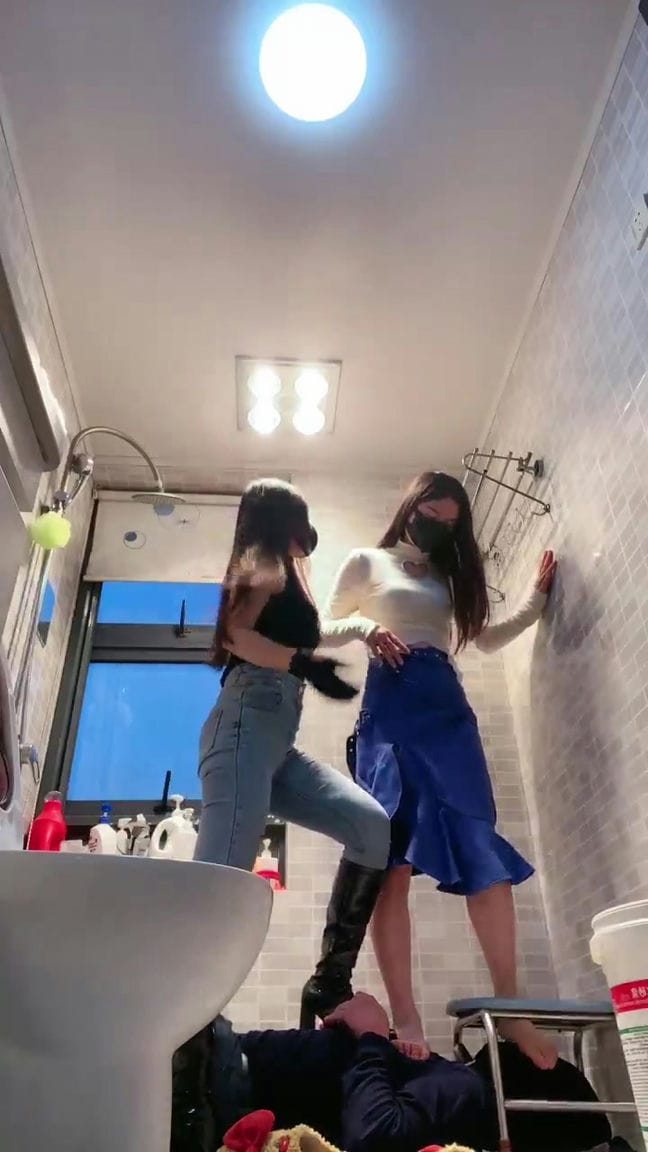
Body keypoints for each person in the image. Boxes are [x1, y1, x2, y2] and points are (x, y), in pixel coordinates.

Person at [301, 471, 558, 1069]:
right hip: (390, 711)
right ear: (410, 506)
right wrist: (366, 627)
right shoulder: (367, 561)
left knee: (480, 846)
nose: (438, 528)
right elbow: (319, 628)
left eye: (451, 523)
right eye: (430, 515)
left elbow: (485, 639)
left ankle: (511, 1009)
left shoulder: (449, 575)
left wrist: (535, 602)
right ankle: (407, 1017)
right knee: (390, 861)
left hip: (447, 711)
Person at [195, 478, 390, 1017]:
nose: (310, 532)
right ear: (284, 521)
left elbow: (305, 634)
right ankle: (189, 1032)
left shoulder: (284, 573)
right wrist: (303, 665)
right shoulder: (264, 559)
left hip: (274, 742)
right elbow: (235, 635)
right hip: (244, 727)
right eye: (302, 519)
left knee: (371, 828)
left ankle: (329, 981)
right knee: (220, 885)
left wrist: (362, 630)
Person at [172, 993, 614, 1152]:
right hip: (228, 1078)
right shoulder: (457, 1088)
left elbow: (375, 1135)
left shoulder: (470, 1091)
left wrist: (371, 1036)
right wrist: (380, 1045)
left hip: (224, 1081)